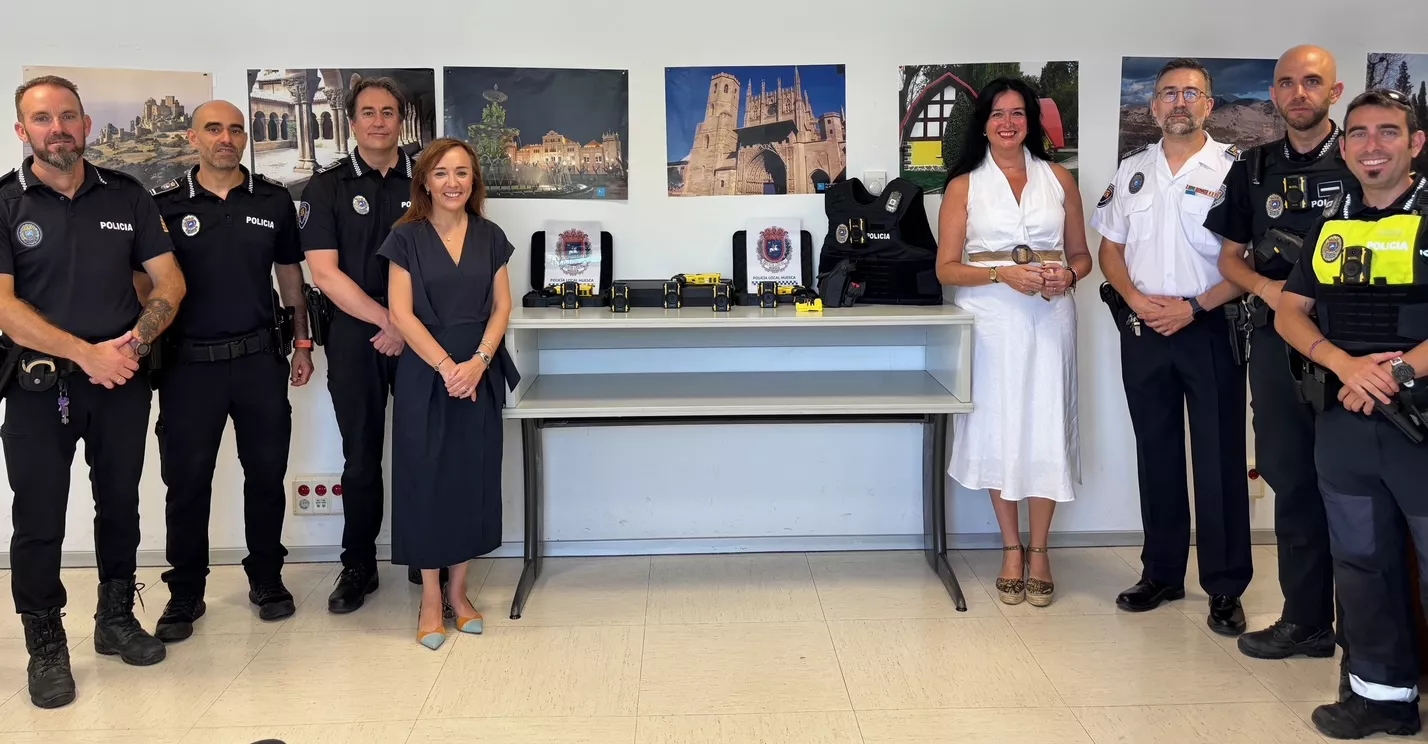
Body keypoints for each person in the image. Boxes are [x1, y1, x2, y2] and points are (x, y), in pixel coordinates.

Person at [0, 75, 187, 708]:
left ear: (85, 125)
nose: (60, 128)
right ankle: (46, 644)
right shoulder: (5, 203)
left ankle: (114, 620)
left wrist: (129, 349)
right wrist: (85, 354)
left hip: (120, 381)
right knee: (38, 519)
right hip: (37, 386)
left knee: (122, 504)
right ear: (23, 131)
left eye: (70, 116)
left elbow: (169, 283)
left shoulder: (127, 195)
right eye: (43, 118)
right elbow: (4, 309)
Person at [1275, 88, 1428, 740]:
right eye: (1360, 133)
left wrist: (1392, 371)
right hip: (1344, 421)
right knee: (1362, 564)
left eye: (1388, 132)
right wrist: (1343, 365)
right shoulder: (1331, 223)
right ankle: (1381, 697)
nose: (1372, 145)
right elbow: (1288, 309)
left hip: (1418, 423)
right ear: (1345, 146)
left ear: (1415, 143)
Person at [1091, 58, 1252, 634]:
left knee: (1218, 459)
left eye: (1192, 93)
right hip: (1144, 328)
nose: (1179, 102)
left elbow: (1252, 262)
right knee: (1155, 453)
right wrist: (1134, 299)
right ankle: (1160, 572)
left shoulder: (1237, 168)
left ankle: (1226, 586)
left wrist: (1193, 307)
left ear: (1210, 104)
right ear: (1153, 106)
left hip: (1209, 323)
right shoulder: (1133, 169)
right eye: (1168, 93)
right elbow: (1111, 246)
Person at [146, 100, 315, 641]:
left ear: (246, 138)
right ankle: (185, 592)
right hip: (188, 369)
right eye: (214, 129)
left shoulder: (272, 200)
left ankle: (267, 578)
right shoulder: (165, 205)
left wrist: (303, 340)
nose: (227, 137)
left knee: (265, 477)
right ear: (194, 137)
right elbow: (144, 285)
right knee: (187, 484)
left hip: (259, 361)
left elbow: (290, 274)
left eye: (236, 129)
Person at [1206, 45, 1353, 665]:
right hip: (1273, 343)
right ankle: (1306, 621)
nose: (1299, 93)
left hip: (1353, 347)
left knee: (1356, 488)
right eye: (1287, 83)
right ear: (1274, 93)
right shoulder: (1254, 167)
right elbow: (1230, 257)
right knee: (1289, 481)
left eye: (1312, 82)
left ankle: (1374, 629)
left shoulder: (1364, 159)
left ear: (1334, 91)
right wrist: (1273, 292)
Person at [935, 77, 1090, 608]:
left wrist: (1066, 277)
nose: (1008, 123)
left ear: (1032, 121)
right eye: (998, 114)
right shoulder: (964, 186)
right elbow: (947, 268)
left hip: (1050, 316)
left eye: (1018, 114)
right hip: (991, 319)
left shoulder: (1059, 179)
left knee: (1046, 423)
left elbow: (1082, 257)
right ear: (983, 123)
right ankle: (1010, 548)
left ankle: (1041, 550)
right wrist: (1005, 275)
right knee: (999, 427)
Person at [300, 76, 440, 613]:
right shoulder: (327, 186)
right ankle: (358, 564)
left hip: (423, 338)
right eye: (368, 112)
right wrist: (390, 321)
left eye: (388, 112)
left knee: (422, 449)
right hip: (358, 335)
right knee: (360, 457)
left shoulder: (426, 182)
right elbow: (324, 274)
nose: (379, 121)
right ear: (353, 121)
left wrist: (407, 326)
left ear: (400, 120)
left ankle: (424, 554)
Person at [376, 137, 518, 649]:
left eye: (462, 172)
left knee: (469, 479)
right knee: (425, 479)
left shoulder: (491, 235)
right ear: (425, 182)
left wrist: (477, 363)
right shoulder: (406, 236)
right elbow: (400, 314)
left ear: (473, 180)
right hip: (426, 375)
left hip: (479, 371)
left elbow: (502, 307)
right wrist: (446, 368)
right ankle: (430, 597)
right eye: (441, 173)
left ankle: (460, 594)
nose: (453, 182)